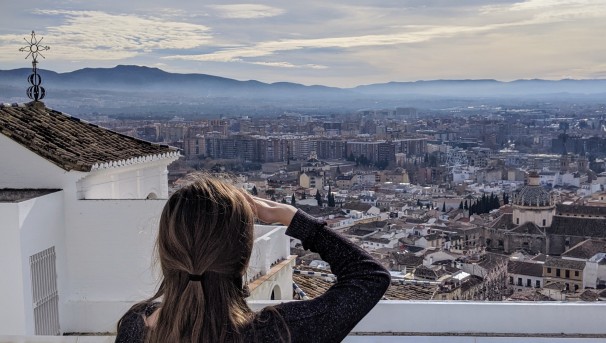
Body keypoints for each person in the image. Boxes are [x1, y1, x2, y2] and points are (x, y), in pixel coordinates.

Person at [116, 175, 390, 342]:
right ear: (243, 256)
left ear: (166, 249)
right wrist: (290, 216)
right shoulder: (278, 332)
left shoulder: (136, 328)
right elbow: (369, 276)